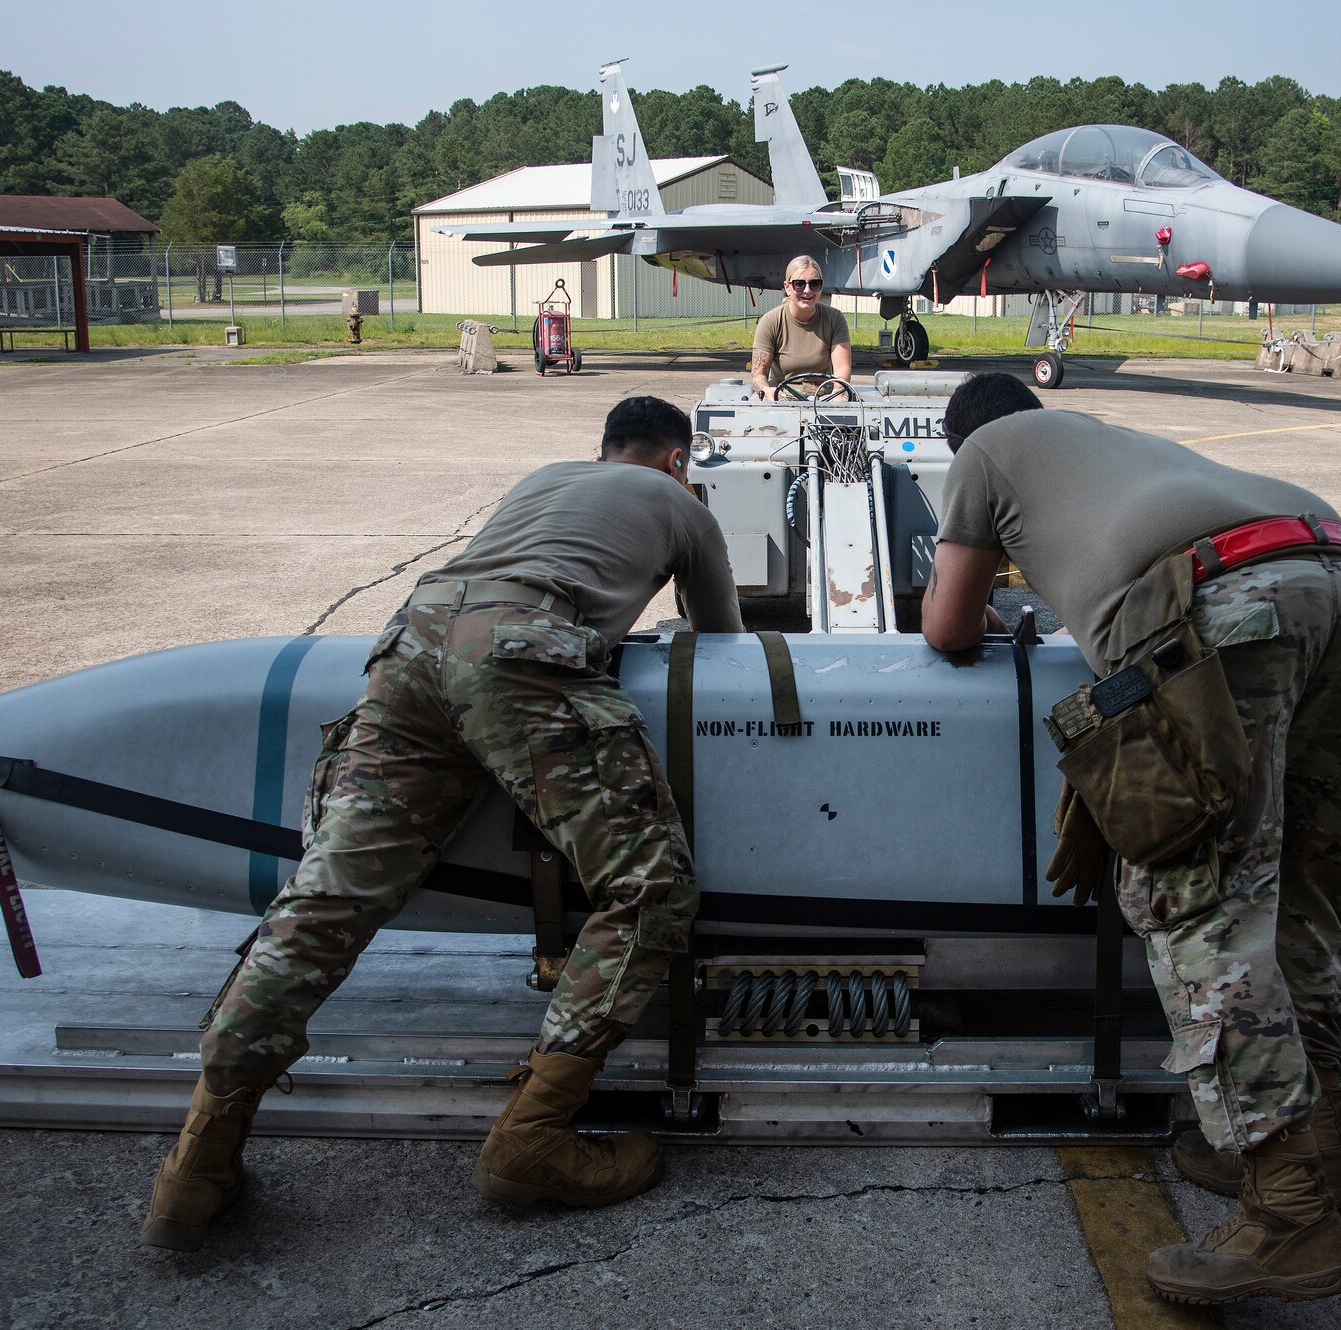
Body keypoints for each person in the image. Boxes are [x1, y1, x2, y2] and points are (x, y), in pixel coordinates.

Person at [140, 396, 745, 1252]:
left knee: (325, 903)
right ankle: (533, 1135)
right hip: (522, 648)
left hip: (409, 645)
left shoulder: (543, 479)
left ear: (602, 451)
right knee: (650, 892)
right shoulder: (682, 504)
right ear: (677, 460)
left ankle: (197, 1163)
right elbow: (724, 645)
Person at [921, 373, 1341, 1307]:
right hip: (1334, 570)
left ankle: (1289, 1211)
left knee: (1200, 901)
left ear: (958, 435)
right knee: (1301, 880)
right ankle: (1322, 1151)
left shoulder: (981, 452)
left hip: (1220, 604)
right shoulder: (1103, 438)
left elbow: (948, 628)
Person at [750, 255, 852, 399]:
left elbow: (842, 369)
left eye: (814, 284)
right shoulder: (770, 321)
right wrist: (767, 390)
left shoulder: (835, 319)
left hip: (824, 397)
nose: (808, 290)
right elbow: (758, 375)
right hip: (782, 397)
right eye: (799, 284)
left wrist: (838, 391)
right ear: (788, 287)